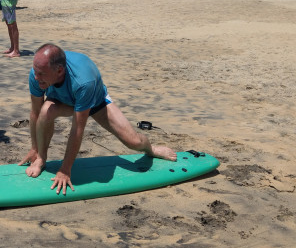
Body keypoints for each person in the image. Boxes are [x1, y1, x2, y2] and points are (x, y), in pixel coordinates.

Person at [19, 43, 177, 194]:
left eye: (41, 74)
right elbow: (35, 112)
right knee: (45, 111)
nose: (36, 76)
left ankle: (151, 149)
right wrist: (35, 148)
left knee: (134, 142)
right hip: (62, 100)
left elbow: (77, 129)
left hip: (95, 101)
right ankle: (41, 158)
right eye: (35, 71)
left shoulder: (83, 82)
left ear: (59, 70)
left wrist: (65, 170)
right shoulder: (37, 74)